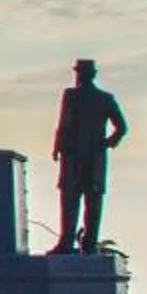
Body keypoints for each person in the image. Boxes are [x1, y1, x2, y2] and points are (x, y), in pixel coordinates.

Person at [49, 59, 127, 254]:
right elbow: (121, 128)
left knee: (74, 201)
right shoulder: (103, 98)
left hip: (76, 157)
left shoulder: (74, 96)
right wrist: (106, 144)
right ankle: (84, 244)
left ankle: (69, 243)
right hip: (87, 158)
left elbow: (63, 123)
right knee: (86, 202)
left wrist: (58, 147)